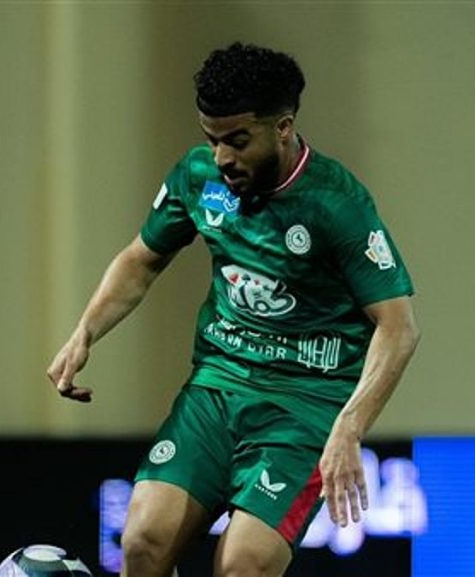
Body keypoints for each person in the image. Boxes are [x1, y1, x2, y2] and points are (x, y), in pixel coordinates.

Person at [47, 43, 420, 577]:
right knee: (143, 540)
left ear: (283, 128)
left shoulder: (338, 204)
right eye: (212, 139)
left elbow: (398, 327)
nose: (222, 157)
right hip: (216, 391)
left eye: (238, 141)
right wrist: (85, 332)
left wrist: (350, 427)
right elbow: (141, 259)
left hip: (304, 410)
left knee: (242, 564)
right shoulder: (199, 177)